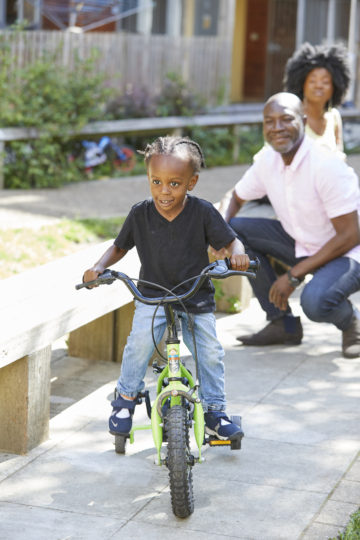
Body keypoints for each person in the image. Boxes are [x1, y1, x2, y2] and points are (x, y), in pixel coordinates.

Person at [83, 135, 250, 441]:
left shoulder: (202, 212)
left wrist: (237, 253)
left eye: (174, 183)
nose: (164, 191)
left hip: (194, 297)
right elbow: (119, 248)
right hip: (152, 297)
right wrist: (98, 267)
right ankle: (126, 399)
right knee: (138, 346)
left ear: (192, 182)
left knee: (210, 353)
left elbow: (229, 242)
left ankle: (215, 410)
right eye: (156, 181)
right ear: (148, 178)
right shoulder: (140, 213)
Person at [217, 92, 360, 359]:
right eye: (269, 121)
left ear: (303, 121)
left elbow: (351, 235)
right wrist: (221, 235)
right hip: (303, 243)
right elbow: (236, 197)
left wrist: (294, 275)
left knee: (315, 303)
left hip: (347, 253)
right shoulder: (267, 162)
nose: (277, 127)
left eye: (286, 119)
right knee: (234, 230)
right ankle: (282, 323)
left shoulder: (326, 165)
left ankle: (351, 320)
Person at [283, 41, 351, 158]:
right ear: (301, 84)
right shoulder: (292, 118)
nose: (319, 86)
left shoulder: (333, 117)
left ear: (335, 86)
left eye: (325, 82)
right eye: (312, 81)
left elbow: (340, 158)